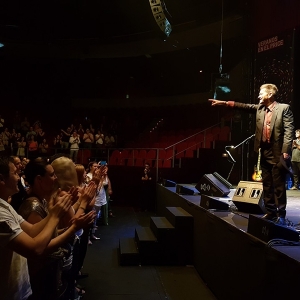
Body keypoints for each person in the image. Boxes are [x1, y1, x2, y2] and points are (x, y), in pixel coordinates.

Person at [209, 83, 294, 225]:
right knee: (267, 184)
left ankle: (281, 214)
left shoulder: (283, 108)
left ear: (270, 95)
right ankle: (271, 212)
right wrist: (225, 103)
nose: (259, 96)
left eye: (261, 93)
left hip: (278, 152)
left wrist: (286, 151)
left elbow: (289, 130)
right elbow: (245, 106)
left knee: (278, 185)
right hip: (264, 151)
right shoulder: (260, 108)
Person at [0, 156, 72, 300]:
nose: (19, 177)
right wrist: (57, 217)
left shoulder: (5, 205)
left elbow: (32, 230)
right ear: (1, 179)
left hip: (18, 288)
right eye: (15, 173)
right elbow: (35, 249)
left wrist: (53, 213)